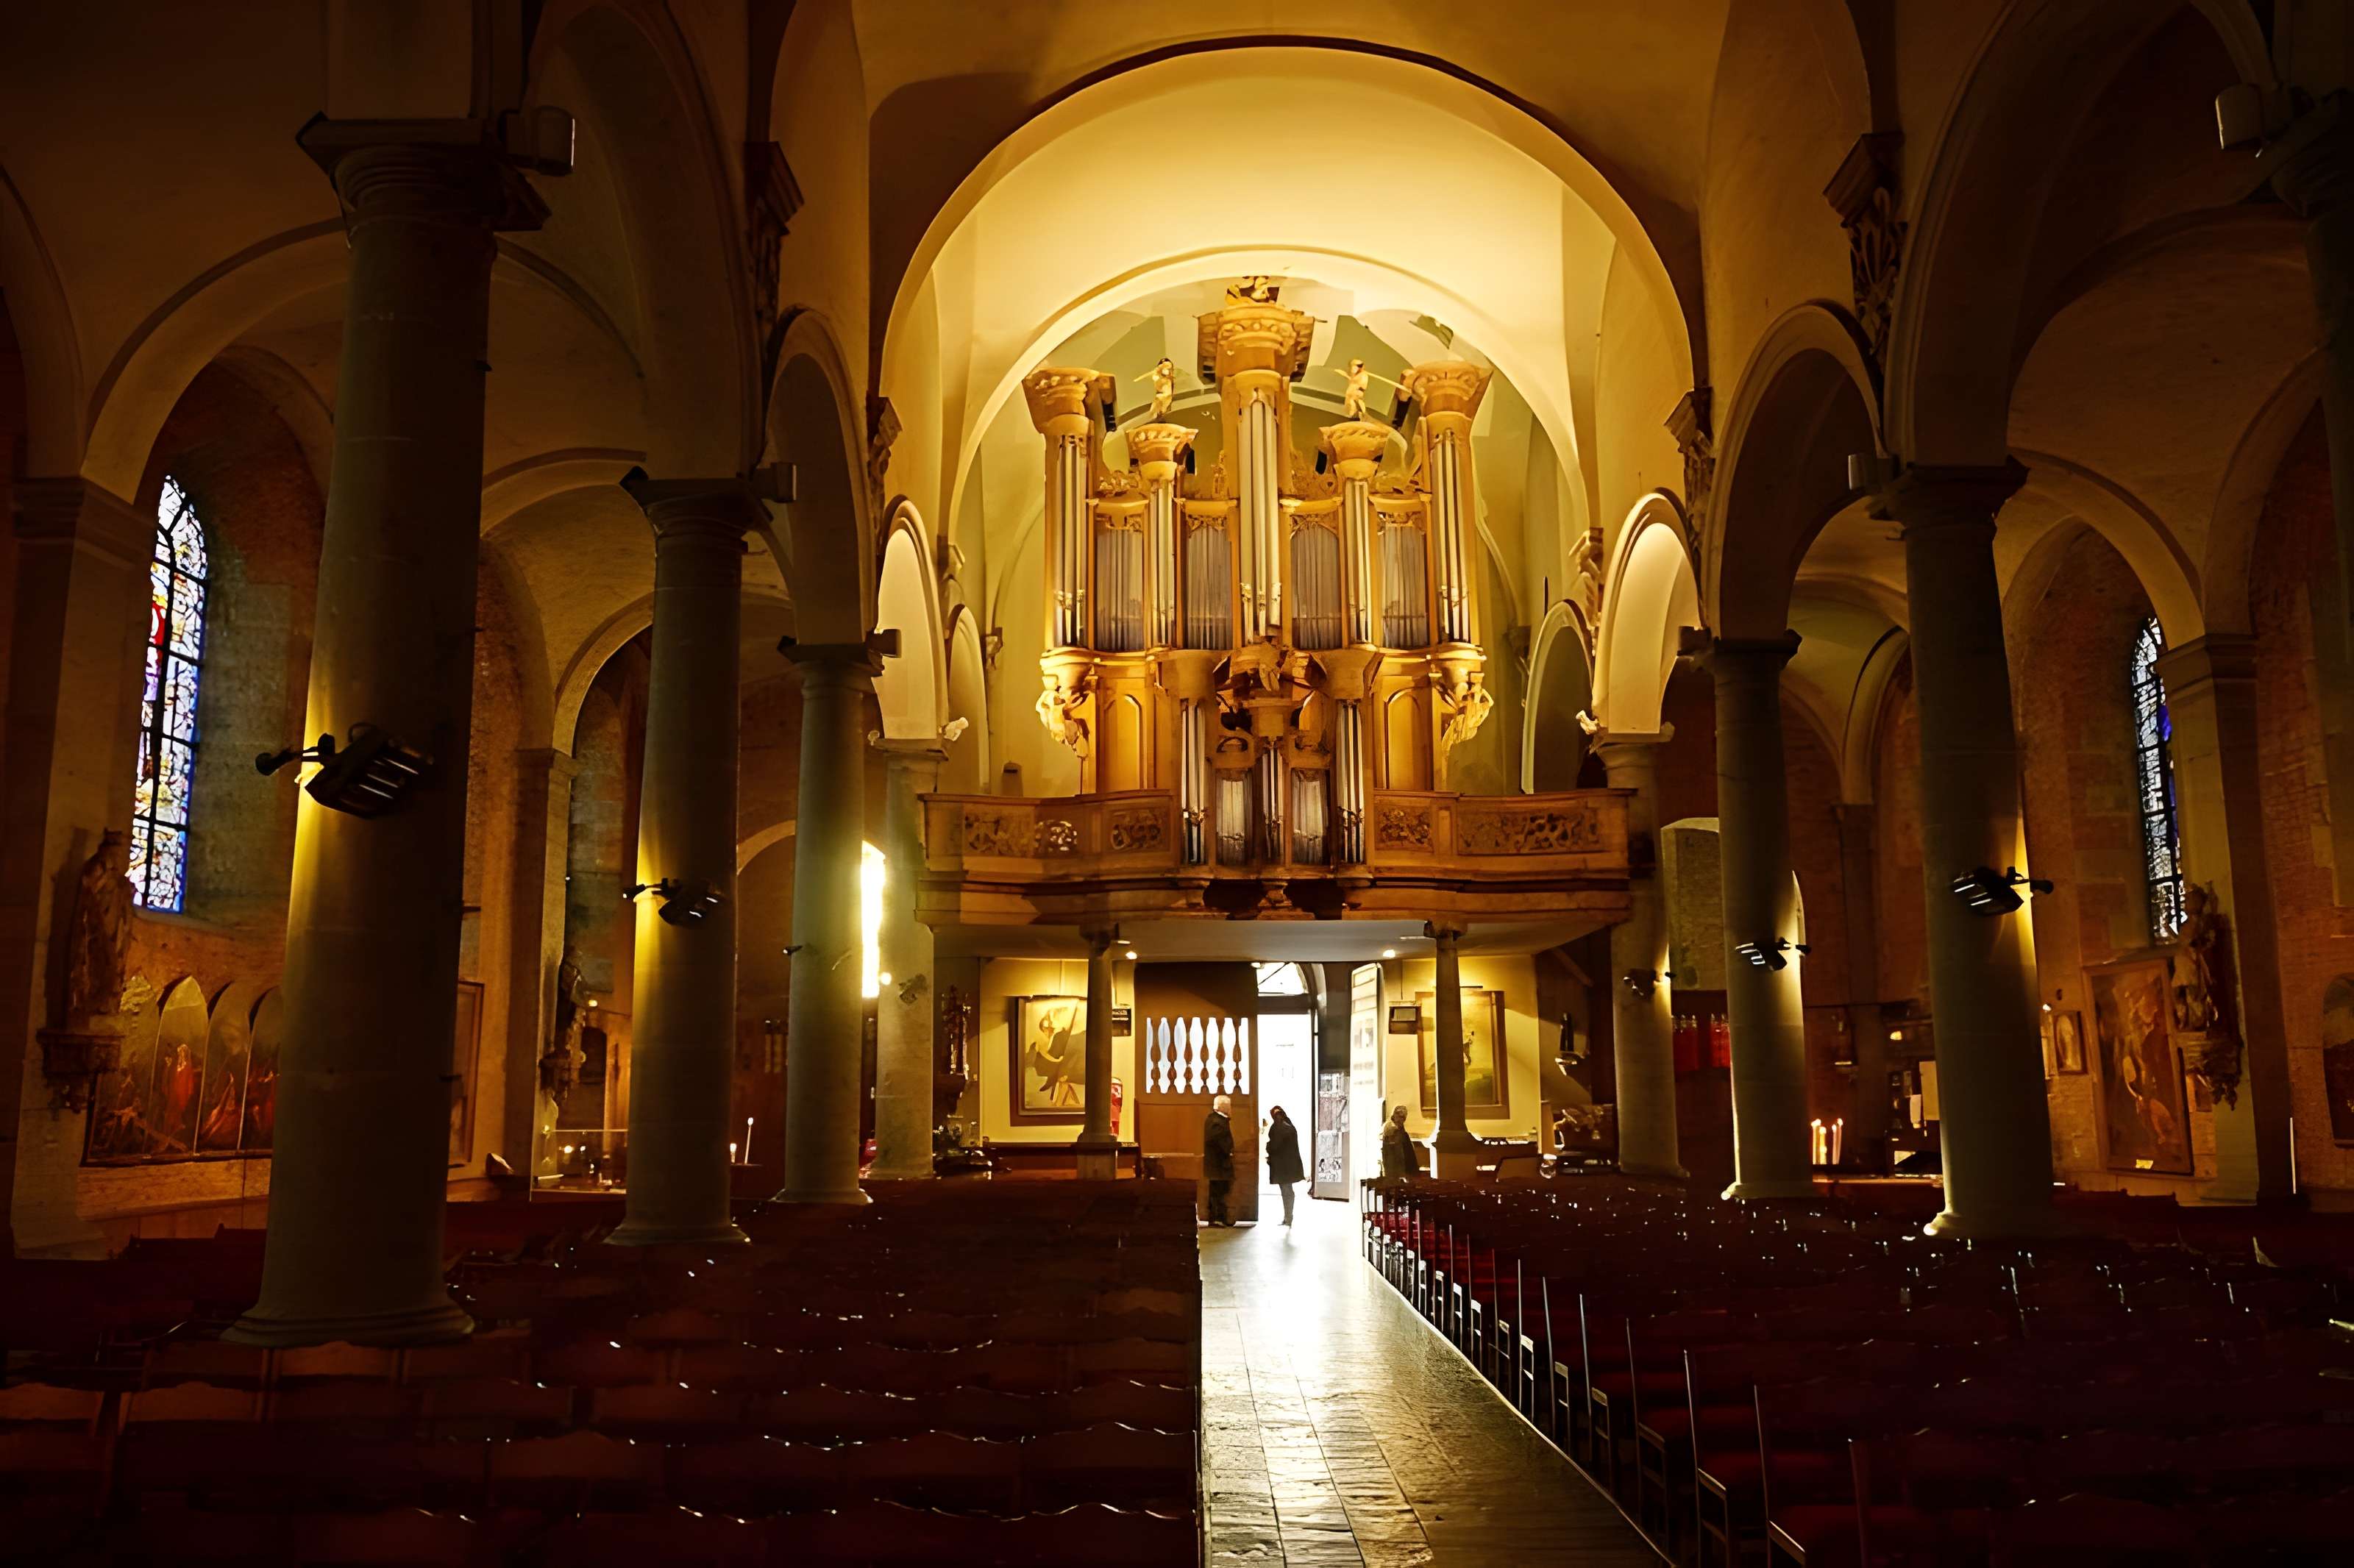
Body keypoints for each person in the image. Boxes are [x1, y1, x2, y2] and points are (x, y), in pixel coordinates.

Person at [1265, 1105, 1305, 1225]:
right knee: (1288, 1191)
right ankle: (1288, 1216)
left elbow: (1274, 1146)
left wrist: (1268, 1147)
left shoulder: (1278, 1128)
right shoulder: (1290, 1126)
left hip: (1282, 1166)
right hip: (1290, 1166)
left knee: (1286, 1191)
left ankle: (1288, 1217)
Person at [1201, 1094, 1236, 1226]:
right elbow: (1218, 1141)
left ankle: (1218, 1217)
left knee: (1218, 1192)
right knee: (1219, 1193)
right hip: (1219, 1164)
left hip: (1215, 1165)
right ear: (1225, 1107)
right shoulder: (1218, 1122)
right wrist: (1229, 1150)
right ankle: (1217, 1218)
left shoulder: (1213, 1120)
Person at [1380, 1102, 1420, 1179]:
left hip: (1401, 1165)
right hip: (1394, 1166)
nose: (1401, 1119)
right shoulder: (1390, 1128)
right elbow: (1393, 1151)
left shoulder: (1401, 1130)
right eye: (1398, 1115)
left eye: (1403, 1117)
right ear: (1394, 1115)